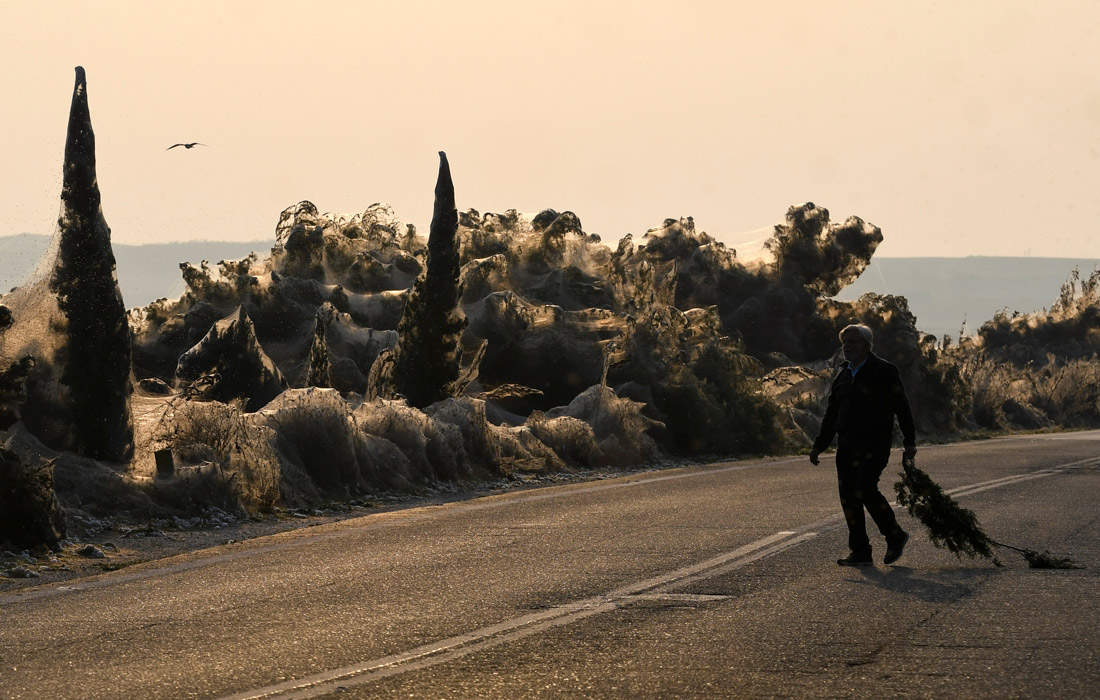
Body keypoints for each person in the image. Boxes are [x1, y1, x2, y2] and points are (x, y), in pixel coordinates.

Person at [810, 323, 917, 566]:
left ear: (867, 346)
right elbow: (831, 415)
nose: (847, 346)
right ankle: (860, 551)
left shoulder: (884, 370)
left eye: (853, 342)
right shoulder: (843, 376)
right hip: (846, 446)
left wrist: (909, 441)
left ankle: (894, 535)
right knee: (848, 497)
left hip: (874, 444)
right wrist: (819, 445)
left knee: (866, 489)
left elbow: (902, 405)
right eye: (845, 342)